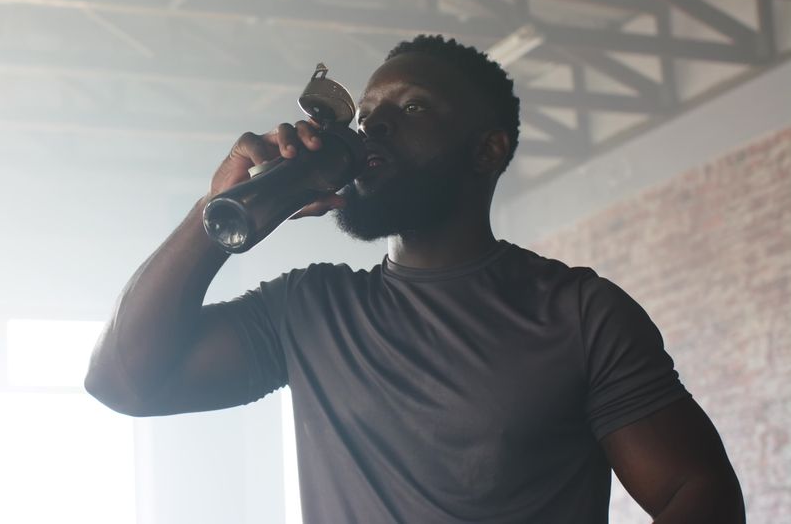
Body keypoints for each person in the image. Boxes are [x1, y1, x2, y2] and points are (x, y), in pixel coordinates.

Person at [85, 34, 745, 523]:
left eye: (413, 109)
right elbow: (124, 381)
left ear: (489, 150)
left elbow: (696, 492)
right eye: (370, 113)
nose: (376, 127)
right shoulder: (311, 309)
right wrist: (214, 215)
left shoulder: (576, 312)